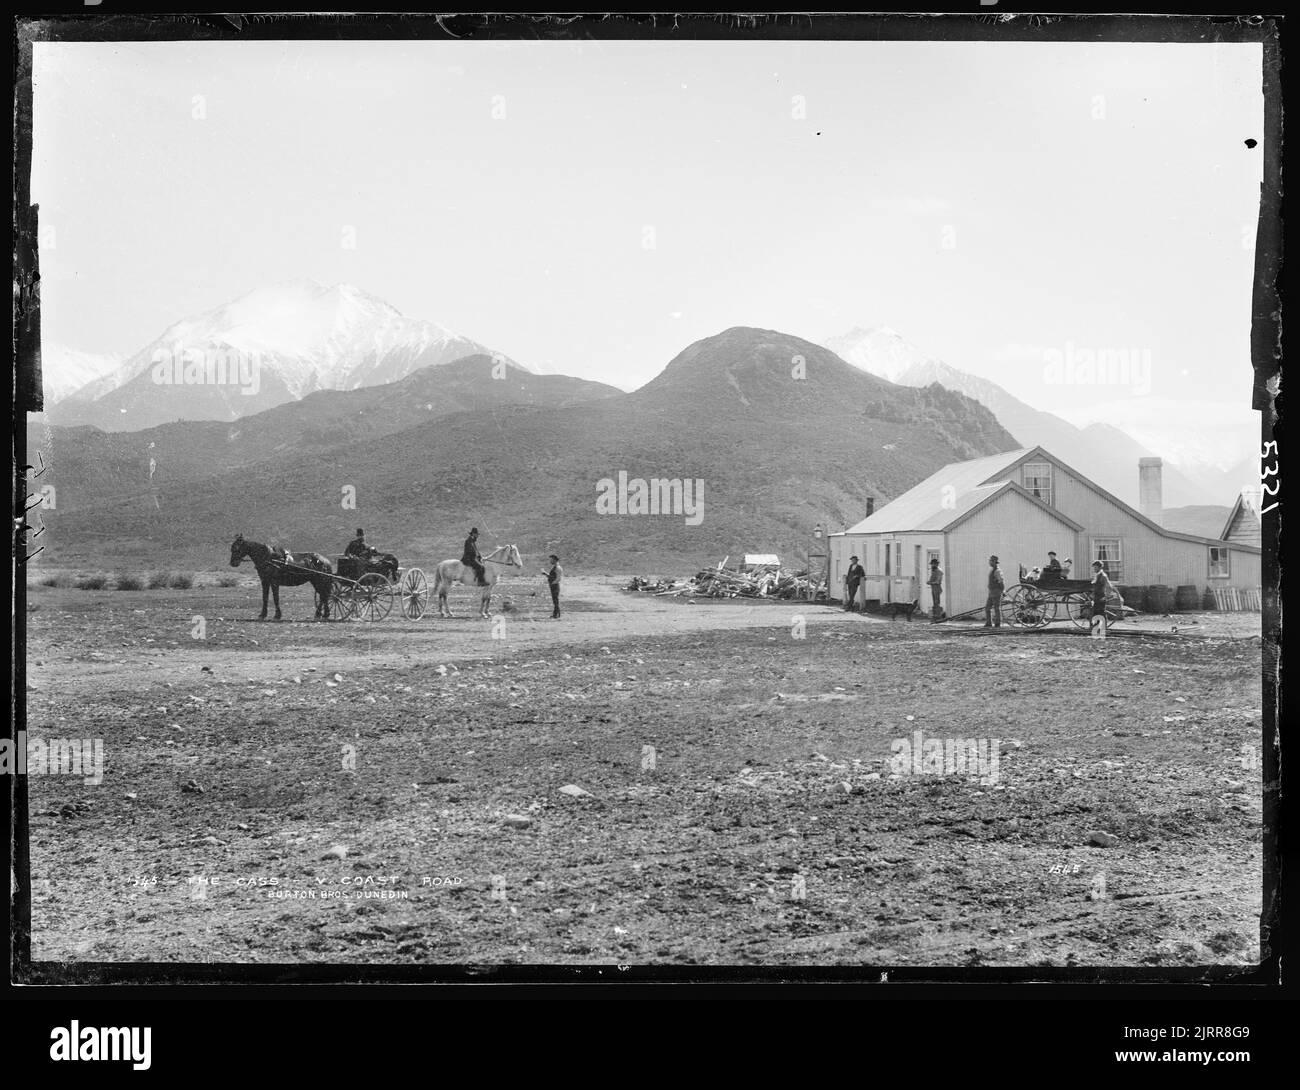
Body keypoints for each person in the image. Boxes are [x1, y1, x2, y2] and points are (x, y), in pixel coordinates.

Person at [984, 554, 1004, 628]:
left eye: (990, 561)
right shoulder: (993, 570)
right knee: (987, 607)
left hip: (996, 591)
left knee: (996, 607)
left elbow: (1001, 582)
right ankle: (989, 623)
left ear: (994, 562)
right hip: (991, 591)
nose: (989, 562)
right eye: (989, 561)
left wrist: (1002, 590)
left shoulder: (997, 571)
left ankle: (997, 623)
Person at [545, 554, 563, 618]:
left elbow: (559, 578)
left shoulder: (558, 568)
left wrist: (553, 583)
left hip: (555, 586)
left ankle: (557, 614)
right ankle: (556, 614)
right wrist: (545, 574)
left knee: (555, 601)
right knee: (555, 600)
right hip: (553, 585)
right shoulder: (554, 567)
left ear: (555, 560)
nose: (550, 561)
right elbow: (552, 576)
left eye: (551, 560)